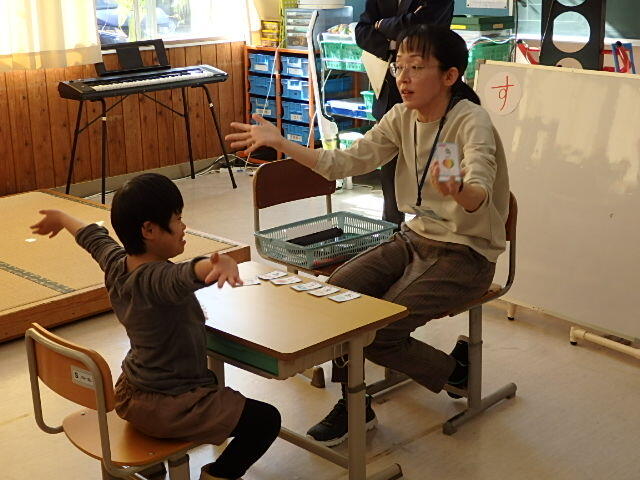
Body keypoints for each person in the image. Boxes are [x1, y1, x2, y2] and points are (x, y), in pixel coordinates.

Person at [226, 24, 509, 447]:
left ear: (450, 75)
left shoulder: (471, 121)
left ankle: (455, 372)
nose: (403, 77)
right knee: (337, 298)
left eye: (416, 67)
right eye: (399, 66)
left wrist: (459, 190)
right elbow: (343, 163)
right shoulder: (401, 117)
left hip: (466, 254)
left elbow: (480, 189)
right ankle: (355, 404)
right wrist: (281, 142)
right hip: (413, 238)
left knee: (377, 330)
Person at [30, 173, 280, 480]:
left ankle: (152, 470)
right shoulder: (156, 279)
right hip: (169, 406)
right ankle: (216, 475)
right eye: (178, 219)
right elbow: (186, 274)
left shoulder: (117, 264)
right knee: (265, 420)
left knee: (215, 384)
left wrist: (62, 217)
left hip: (131, 394)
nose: (184, 227)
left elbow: (94, 238)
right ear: (149, 229)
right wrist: (217, 264)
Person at [355, 0, 455, 228]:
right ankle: (392, 226)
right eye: (401, 61)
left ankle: (438, 225)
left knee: (438, 153)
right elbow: (362, 32)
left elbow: (422, 27)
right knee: (389, 162)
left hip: (431, 89)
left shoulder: (465, 117)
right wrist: (394, 44)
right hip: (389, 88)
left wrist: (383, 26)